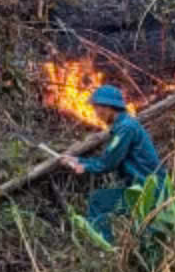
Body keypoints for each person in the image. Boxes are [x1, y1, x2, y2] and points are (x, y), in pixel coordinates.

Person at [57, 84, 166, 243]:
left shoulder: (125, 129)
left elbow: (107, 163)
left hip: (149, 191)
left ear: (108, 107)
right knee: (147, 234)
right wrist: (78, 160)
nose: (96, 113)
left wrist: (83, 166)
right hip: (144, 189)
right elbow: (108, 159)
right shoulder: (125, 126)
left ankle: (104, 249)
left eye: (97, 108)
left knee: (99, 202)